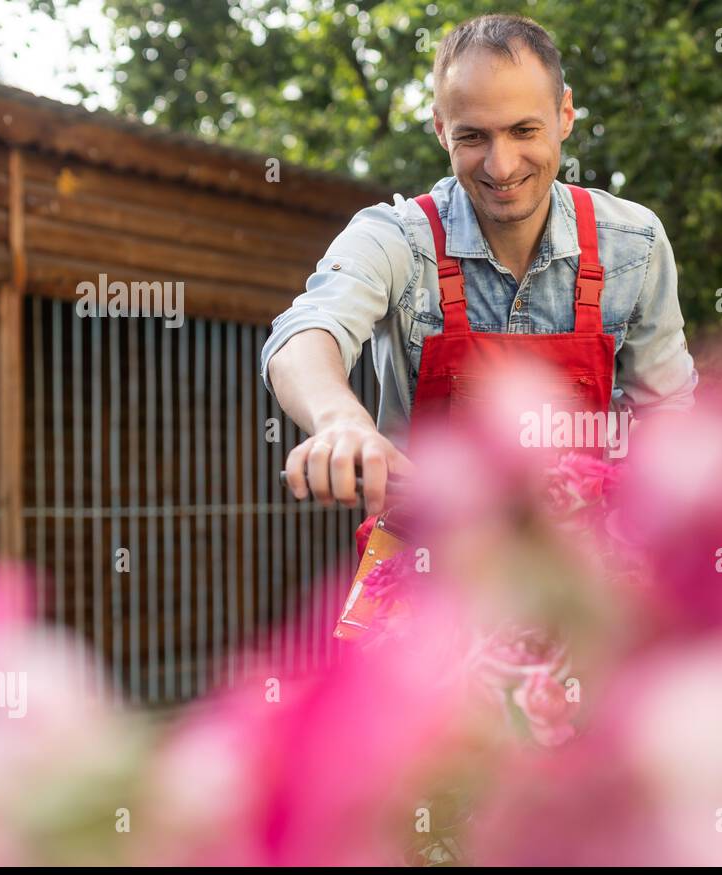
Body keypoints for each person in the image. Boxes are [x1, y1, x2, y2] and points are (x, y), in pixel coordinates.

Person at [262, 13, 698, 520]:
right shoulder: (398, 238)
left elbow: (666, 413)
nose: (502, 165)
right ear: (442, 131)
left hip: (584, 572)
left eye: (523, 130)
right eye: (473, 138)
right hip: (430, 568)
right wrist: (341, 422)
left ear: (564, 114)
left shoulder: (633, 244)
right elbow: (306, 330)